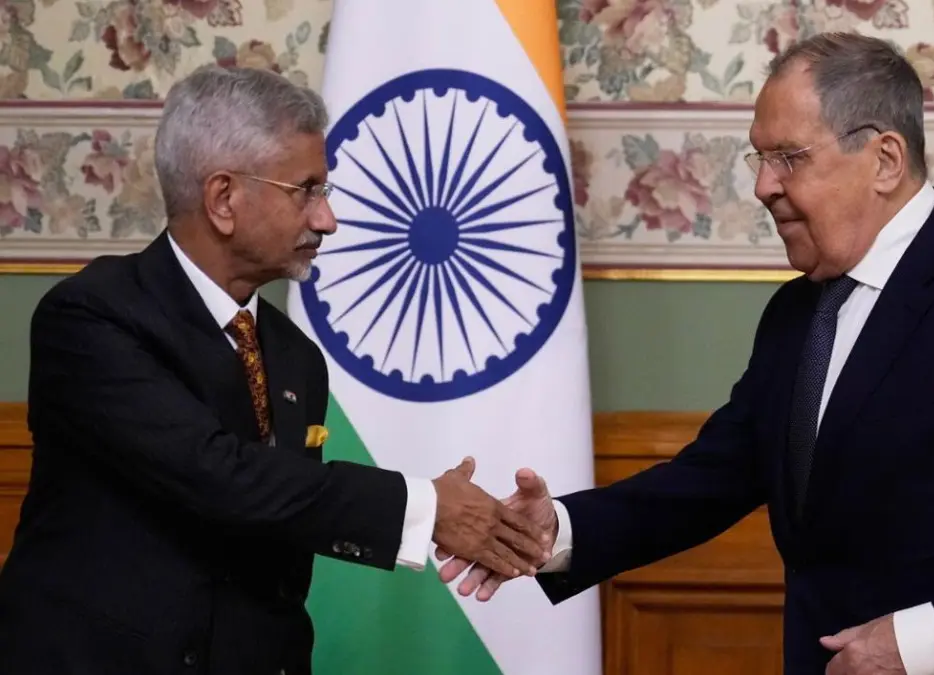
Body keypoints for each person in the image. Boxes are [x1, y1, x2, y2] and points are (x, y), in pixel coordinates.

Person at [437, 32, 934, 675]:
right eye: (759, 159)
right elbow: (713, 478)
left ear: (884, 159)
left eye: (788, 158)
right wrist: (556, 531)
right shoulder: (800, 310)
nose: (763, 187)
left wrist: (923, 642)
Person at [0, 65, 550, 675]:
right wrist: (424, 508)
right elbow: (217, 474)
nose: (326, 219)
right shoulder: (91, 318)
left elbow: (284, 526)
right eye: (306, 190)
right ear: (223, 199)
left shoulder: (294, 357)